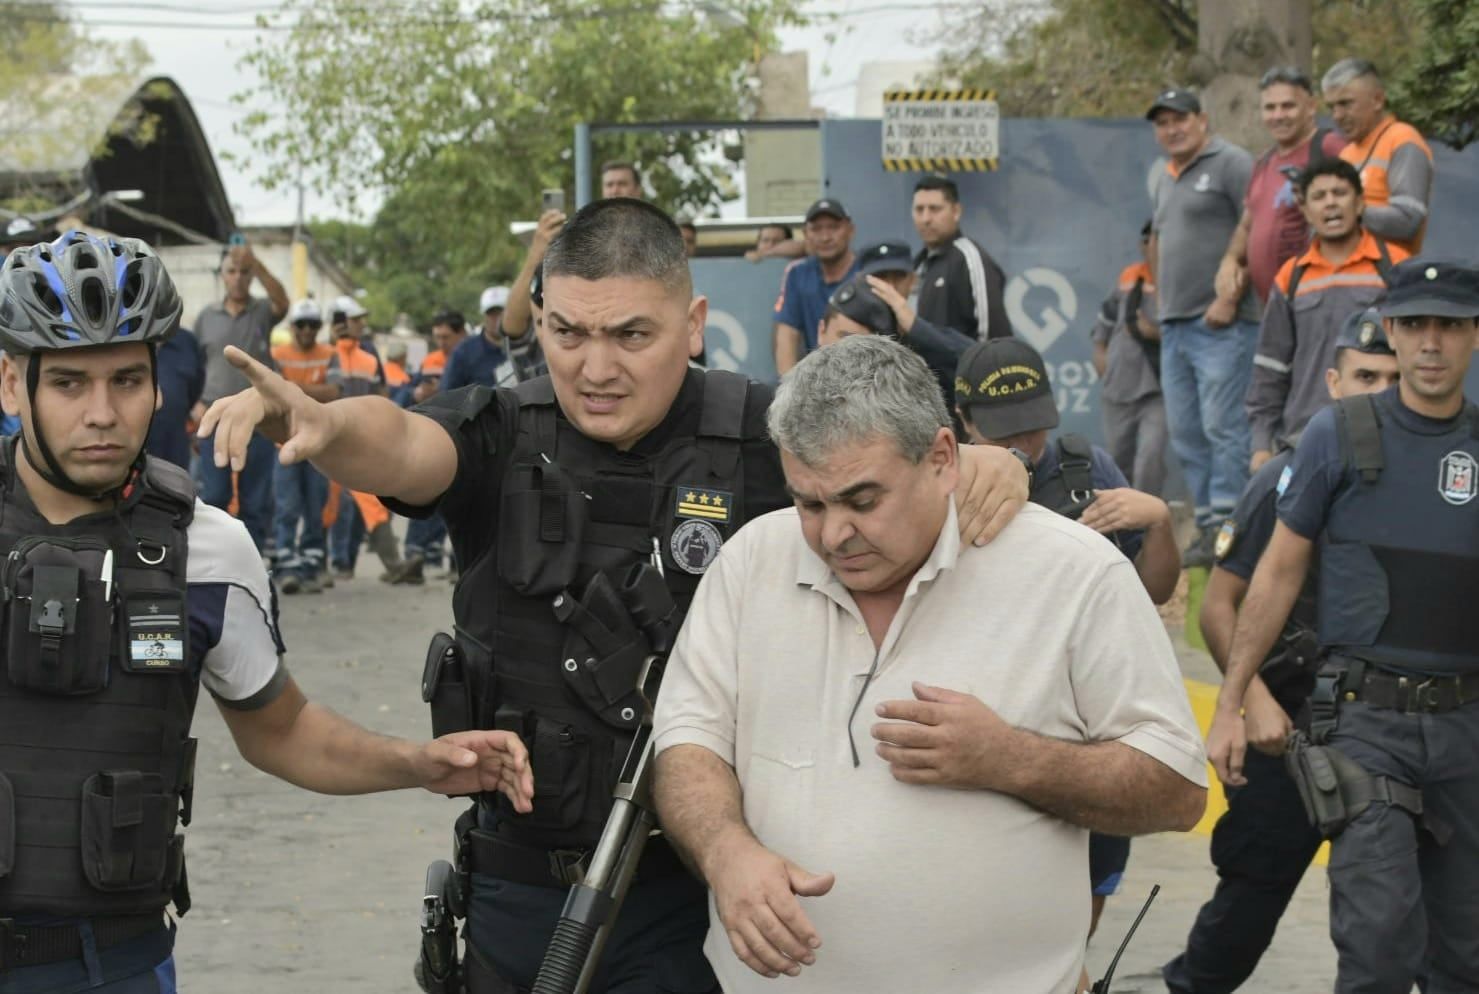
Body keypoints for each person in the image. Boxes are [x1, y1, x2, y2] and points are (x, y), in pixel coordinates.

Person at [198, 199, 1030, 994]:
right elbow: (402, 442)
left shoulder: (766, 436)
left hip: (701, 894)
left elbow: (891, 471)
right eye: (568, 333)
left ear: (693, 324)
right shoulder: (501, 431)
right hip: (519, 893)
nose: (595, 369)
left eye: (632, 335)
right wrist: (325, 426)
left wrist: (990, 466)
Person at [0, 230, 535, 993]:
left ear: (159, 385)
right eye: (67, 383)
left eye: (126, 380)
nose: (102, 413)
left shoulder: (208, 548)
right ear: (12, 384)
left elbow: (282, 730)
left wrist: (417, 763)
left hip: (113, 967)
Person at [650, 335, 1207, 993]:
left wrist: (1011, 759)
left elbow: (1178, 790)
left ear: (942, 458)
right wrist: (725, 853)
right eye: (809, 503)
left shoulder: (1075, 573)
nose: (834, 534)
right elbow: (687, 742)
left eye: (863, 500)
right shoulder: (751, 562)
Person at [1206, 258, 1479, 994]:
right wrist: (1232, 704)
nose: (1430, 342)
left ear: (1474, 336)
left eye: (1450, 326)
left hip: (1466, 728)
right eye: (1414, 325)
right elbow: (1274, 575)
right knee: (1379, 946)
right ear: (1391, 329)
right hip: (1365, 726)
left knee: (1465, 958)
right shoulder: (1339, 434)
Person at [1164, 308, 1399, 994]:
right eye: (1364, 376)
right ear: (1333, 382)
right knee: (1245, 906)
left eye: (1391, 378)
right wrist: (1251, 701)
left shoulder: (1429, 483)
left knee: (1391, 924)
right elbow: (1218, 607)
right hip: (1290, 731)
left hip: (1390, 732)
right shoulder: (1288, 476)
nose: (1378, 392)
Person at [1147, 87, 1259, 567]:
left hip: (1220, 321)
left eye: (1180, 119)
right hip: (1175, 323)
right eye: (1163, 122)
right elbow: (1157, 239)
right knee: (1187, 431)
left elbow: (1257, 227)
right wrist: (1161, 299)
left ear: (1203, 120)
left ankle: (1234, 526)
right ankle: (1211, 524)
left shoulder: (1232, 162)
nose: (1172, 129)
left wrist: (1229, 295)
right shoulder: (1165, 176)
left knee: (1223, 426)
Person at [1245, 159, 1406, 471]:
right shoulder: (1291, 277)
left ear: (1359, 203)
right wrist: (1261, 444)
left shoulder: (1396, 267)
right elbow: (1271, 365)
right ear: (1306, 211)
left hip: (1385, 431)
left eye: (1340, 193)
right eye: (1319, 196)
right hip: (1304, 434)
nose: (1330, 203)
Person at [1216, 67, 1348, 307]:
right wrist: (1230, 259)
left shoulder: (1330, 147)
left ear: (1311, 107)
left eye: (1288, 106)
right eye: (1270, 108)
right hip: (1274, 308)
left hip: (1321, 300)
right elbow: (1247, 225)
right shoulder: (1264, 162)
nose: (1278, 115)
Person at [192, 242, 288, 552]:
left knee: (255, 502)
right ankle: (217, 562)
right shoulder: (206, 317)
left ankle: (252, 563)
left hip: (259, 419)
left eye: (244, 272)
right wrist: (195, 405)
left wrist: (256, 263)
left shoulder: (262, 312)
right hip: (215, 418)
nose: (238, 277)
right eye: (232, 271)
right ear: (222, 276)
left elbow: (282, 301)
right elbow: (195, 366)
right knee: (215, 497)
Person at [814, 271, 972, 415]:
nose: (852, 354)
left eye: (867, 346)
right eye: (845, 339)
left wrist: (916, 327)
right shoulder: (802, 394)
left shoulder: (901, 402)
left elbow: (976, 367)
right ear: (821, 331)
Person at [1322, 58, 1433, 255]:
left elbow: (1408, 221)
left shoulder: (1403, 141)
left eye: (1345, 103)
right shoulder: (1347, 153)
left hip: (1391, 270)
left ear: (1377, 100)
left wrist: (1348, 212)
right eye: (1332, 107)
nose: (1337, 115)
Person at [269, 299, 341, 594]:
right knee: (287, 506)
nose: (307, 330)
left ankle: (311, 567)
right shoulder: (278, 354)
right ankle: (287, 567)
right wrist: (311, 393)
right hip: (285, 442)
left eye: (313, 324)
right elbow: (274, 394)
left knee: (315, 506)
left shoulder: (329, 354)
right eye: (302, 324)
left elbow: (334, 392)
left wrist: (291, 389)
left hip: (319, 444)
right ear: (292, 327)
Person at [1093, 222, 1168, 495]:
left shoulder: (1177, 283)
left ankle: (1147, 514)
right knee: (1116, 462)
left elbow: (1192, 338)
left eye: (1159, 240)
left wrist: (1153, 333)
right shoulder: (1129, 277)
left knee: (1150, 456)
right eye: (1149, 240)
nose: (1153, 247)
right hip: (1118, 389)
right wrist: (1104, 362)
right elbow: (1103, 328)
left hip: (1156, 390)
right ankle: (1120, 517)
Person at [911, 174, 1012, 341]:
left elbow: (994, 338)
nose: (925, 218)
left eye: (935, 209)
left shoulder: (971, 259)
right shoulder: (918, 264)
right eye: (919, 209)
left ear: (956, 211)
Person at [772, 198, 858, 375]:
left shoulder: (867, 272)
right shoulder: (798, 274)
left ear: (850, 230)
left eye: (833, 227)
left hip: (865, 377)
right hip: (817, 381)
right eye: (816, 229)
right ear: (806, 234)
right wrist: (789, 387)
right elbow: (787, 335)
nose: (825, 237)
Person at [442, 294, 543, 391]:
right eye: (491, 314)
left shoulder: (535, 345)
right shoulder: (464, 352)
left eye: (502, 312)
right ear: (484, 316)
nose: (497, 318)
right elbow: (448, 393)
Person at [145, 324, 204, 473]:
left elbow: (196, 385)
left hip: (175, 440)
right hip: (140, 441)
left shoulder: (187, 341)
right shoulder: (127, 337)